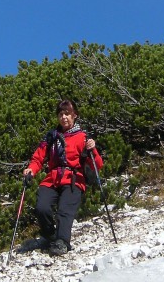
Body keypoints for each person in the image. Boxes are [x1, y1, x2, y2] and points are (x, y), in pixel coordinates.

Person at [21, 99, 104, 256]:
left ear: (75, 116)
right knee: (41, 208)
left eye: (67, 114)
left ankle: (62, 241)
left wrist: (92, 150)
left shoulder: (82, 137)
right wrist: (31, 170)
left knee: (65, 211)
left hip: (74, 179)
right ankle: (50, 236)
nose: (64, 117)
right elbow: (38, 158)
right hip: (52, 178)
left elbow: (96, 165)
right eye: (60, 114)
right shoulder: (51, 137)